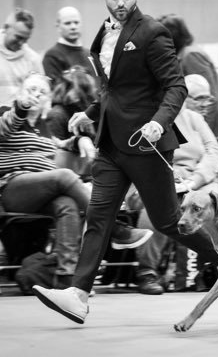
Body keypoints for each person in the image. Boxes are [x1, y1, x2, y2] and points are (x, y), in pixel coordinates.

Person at [32, 0, 218, 324]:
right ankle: (78, 295)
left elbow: (177, 86)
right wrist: (90, 113)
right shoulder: (104, 33)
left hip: (149, 145)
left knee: (167, 222)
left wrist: (160, 123)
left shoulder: (152, 32)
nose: (120, 2)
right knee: (98, 216)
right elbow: (114, 90)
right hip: (111, 144)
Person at [0, 73, 152, 290]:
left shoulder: (42, 128)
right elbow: (3, 129)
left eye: (42, 92)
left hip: (41, 192)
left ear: (48, 99)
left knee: (68, 205)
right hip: (12, 187)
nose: (36, 95)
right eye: (31, 89)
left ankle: (65, 277)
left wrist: (82, 139)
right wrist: (20, 107)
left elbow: (59, 145)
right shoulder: (7, 113)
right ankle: (115, 228)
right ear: (20, 92)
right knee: (65, 176)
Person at [134, 74, 218, 295]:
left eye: (208, 99)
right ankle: (147, 271)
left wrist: (196, 178)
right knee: (156, 205)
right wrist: (169, 173)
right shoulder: (149, 117)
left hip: (196, 179)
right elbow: (141, 153)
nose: (205, 104)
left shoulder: (194, 118)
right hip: (157, 177)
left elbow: (213, 151)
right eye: (200, 98)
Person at [157, 13, 218, 139]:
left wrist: (204, 136)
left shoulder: (191, 56)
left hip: (214, 132)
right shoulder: (186, 55)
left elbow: (208, 100)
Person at [0, 8, 44, 107]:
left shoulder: (33, 59)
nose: (21, 43)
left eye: (25, 39)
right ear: (6, 28)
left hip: (19, 117)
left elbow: (41, 93)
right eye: (18, 37)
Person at [42, 7, 95, 84]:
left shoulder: (90, 54)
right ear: (58, 26)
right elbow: (56, 90)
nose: (73, 27)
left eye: (76, 22)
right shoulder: (52, 56)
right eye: (67, 23)